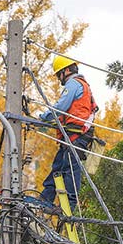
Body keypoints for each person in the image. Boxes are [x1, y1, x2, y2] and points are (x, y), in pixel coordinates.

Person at [35, 55, 98, 211]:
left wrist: (44, 117)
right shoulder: (82, 86)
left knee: (70, 168)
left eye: (59, 75)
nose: (58, 79)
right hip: (72, 136)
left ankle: (69, 204)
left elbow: (61, 106)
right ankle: (46, 198)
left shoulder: (74, 84)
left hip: (77, 135)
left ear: (67, 71)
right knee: (58, 166)